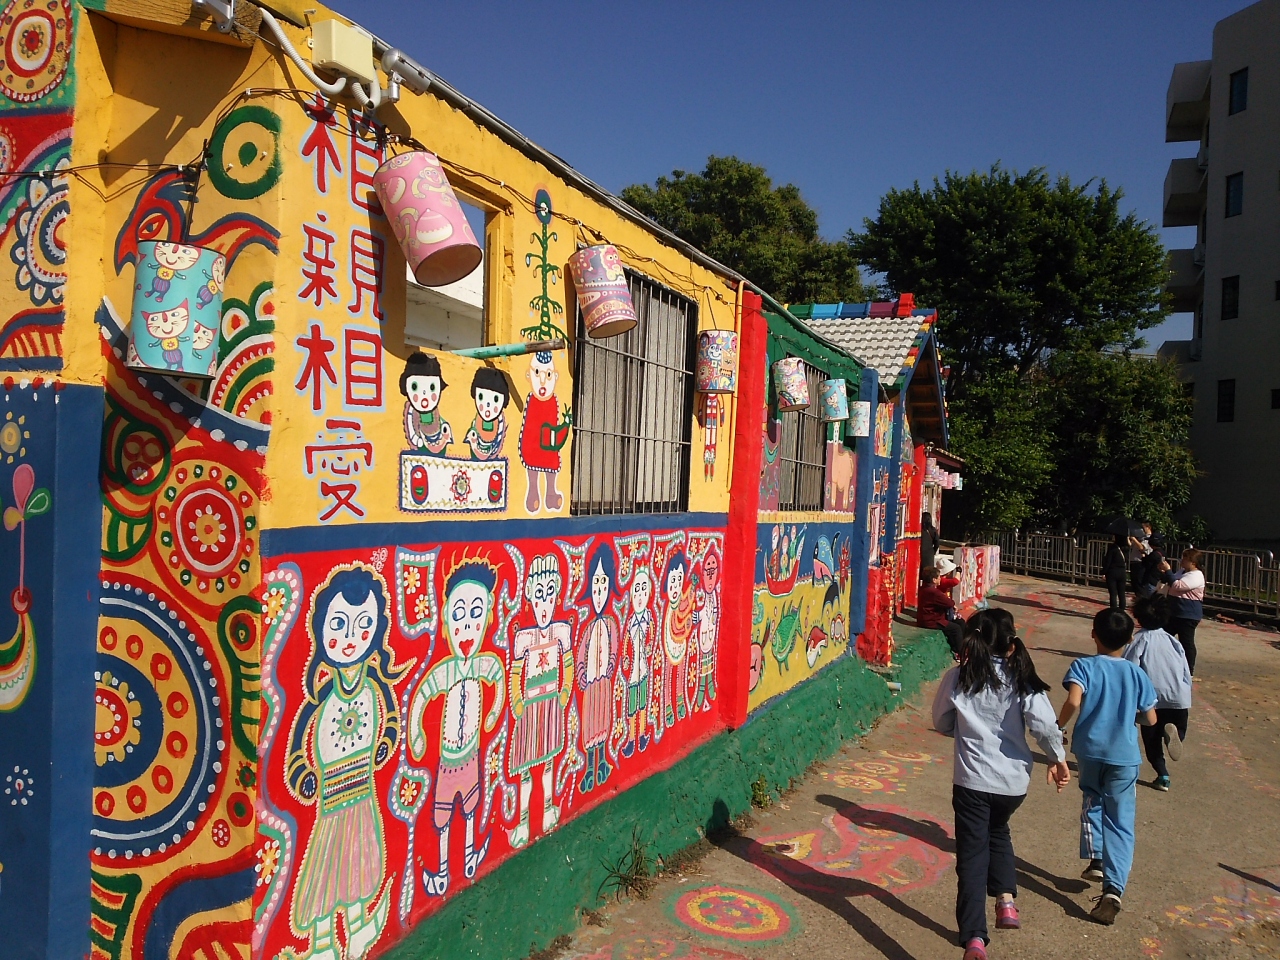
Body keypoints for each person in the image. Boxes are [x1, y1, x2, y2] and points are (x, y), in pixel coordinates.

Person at [933, 609, 1070, 960]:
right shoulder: (1021, 678)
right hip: (1012, 785)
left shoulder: (959, 677)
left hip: (971, 783)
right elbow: (1044, 725)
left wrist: (961, 729)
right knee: (999, 831)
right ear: (1011, 643)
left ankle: (974, 938)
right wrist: (1057, 758)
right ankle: (1006, 901)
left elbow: (941, 721)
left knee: (972, 857)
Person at [1057, 608, 1158, 926]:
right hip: (1124, 755)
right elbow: (1151, 718)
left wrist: (1058, 726)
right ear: (1130, 640)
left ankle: (1096, 857)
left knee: (1092, 797)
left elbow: (1074, 701)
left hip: (1089, 750)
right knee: (1121, 820)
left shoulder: (1083, 666)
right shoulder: (1137, 674)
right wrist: (1129, 714)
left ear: (1093, 634)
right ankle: (1113, 890)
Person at [1124, 596, 1192, 792]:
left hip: (1151, 700)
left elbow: (1130, 668)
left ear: (1138, 617)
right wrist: (1186, 693)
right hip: (1178, 696)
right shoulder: (1173, 641)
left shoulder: (1139, 639)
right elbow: (1185, 670)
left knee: (1152, 741)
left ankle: (1163, 776)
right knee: (1179, 727)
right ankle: (1176, 733)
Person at [1159, 548, 1205, 676]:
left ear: (1193, 562)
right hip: (1174, 613)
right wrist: (1164, 573)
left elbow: (1178, 586)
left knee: (1186, 642)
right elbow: (1172, 581)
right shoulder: (1183, 572)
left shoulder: (1197, 575)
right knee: (1162, 637)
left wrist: (1168, 571)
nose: (1182, 561)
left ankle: (1189, 670)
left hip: (1188, 615)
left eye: (1185, 559)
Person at [918, 565, 963, 656]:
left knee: (959, 623)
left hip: (926, 618)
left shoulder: (924, 588)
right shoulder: (934, 592)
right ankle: (959, 652)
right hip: (932, 621)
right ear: (934, 580)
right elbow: (949, 603)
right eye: (939, 577)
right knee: (956, 628)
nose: (940, 579)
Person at [1135, 534, 1167, 600]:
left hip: (1151, 580)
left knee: (1149, 600)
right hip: (1158, 580)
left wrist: (1143, 556)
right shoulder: (1162, 553)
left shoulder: (1154, 554)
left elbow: (1146, 563)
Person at [1103, 533, 1128, 611]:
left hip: (1112, 571)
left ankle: (1113, 610)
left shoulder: (1112, 548)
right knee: (1122, 593)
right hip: (1122, 571)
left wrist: (1104, 572)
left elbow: (1108, 561)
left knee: (1113, 593)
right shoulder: (1126, 548)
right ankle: (1122, 610)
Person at [1127, 522, 1152, 599]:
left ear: (1148, 528)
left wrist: (1134, 539)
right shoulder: (1140, 537)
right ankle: (1138, 597)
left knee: (1139, 582)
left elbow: (1142, 547)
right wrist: (1128, 538)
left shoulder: (1148, 538)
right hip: (1134, 561)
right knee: (1134, 582)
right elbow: (1131, 545)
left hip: (1140, 562)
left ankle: (1141, 598)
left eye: (1143, 528)